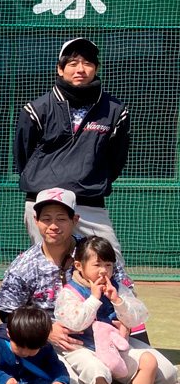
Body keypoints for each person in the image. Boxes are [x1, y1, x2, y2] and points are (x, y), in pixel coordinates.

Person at [0, 188, 175, 384]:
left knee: (167, 374)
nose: (53, 225)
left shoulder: (97, 253)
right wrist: (45, 331)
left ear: (75, 220)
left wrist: (124, 322)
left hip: (107, 336)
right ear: (35, 220)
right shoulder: (24, 264)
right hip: (60, 345)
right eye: (46, 218)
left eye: (61, 218)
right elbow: (7, 312)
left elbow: (127, 294)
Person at [14, 38, 130, 255]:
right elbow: (24, 156)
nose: (80, 69)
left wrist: (90, 179)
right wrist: (42, 180)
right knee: (50, 266)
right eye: (73, 63)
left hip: (90, 203)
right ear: (60, 69)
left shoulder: (115, 110)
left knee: (109, 262)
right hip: (44, 201)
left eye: (87, 63)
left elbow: (116, 158)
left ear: (96, 69)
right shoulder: (36, 109)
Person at [54, 236, 167, 384]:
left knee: (149, 361)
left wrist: (118, 301)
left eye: (108, 265)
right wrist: (94, 298)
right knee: (97, 371)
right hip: (81, 347)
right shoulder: (69, 291)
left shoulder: (117, 287)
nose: (103, 271)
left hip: (114, 346)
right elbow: (74, 323)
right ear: (79, 266)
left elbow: (138, 317)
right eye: (97, 265)